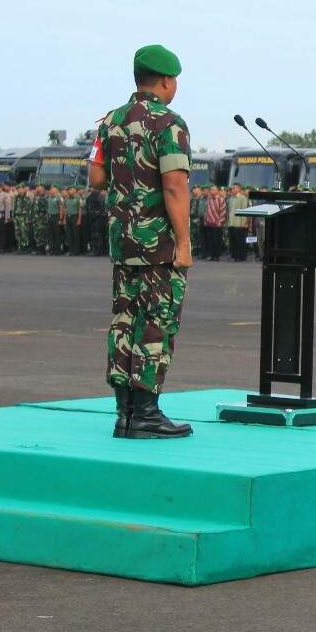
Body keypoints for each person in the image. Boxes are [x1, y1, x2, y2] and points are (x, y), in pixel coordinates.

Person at [88, 44, 193, 438]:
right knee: (156, 322)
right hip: (159, 245)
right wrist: (184, 242)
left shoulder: (110, 122)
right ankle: (146, 413)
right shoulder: (169, 124)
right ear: (166, 81)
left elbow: (97, 178)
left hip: (124, 243)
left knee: (124, 321)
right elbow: (175, 186)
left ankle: (125, 413)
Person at [225, 184, 250, 261]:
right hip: (231, 223)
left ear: (239, 189)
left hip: (239, 223)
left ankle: (242, 256)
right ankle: (235, 256)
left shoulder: (243, 198)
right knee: (233, 241)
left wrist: (244, 223)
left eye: (234, 188)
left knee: (240, 241)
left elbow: (244, 211)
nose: (232, 189)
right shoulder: (230, 198)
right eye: (232, 188)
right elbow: (228, 211)